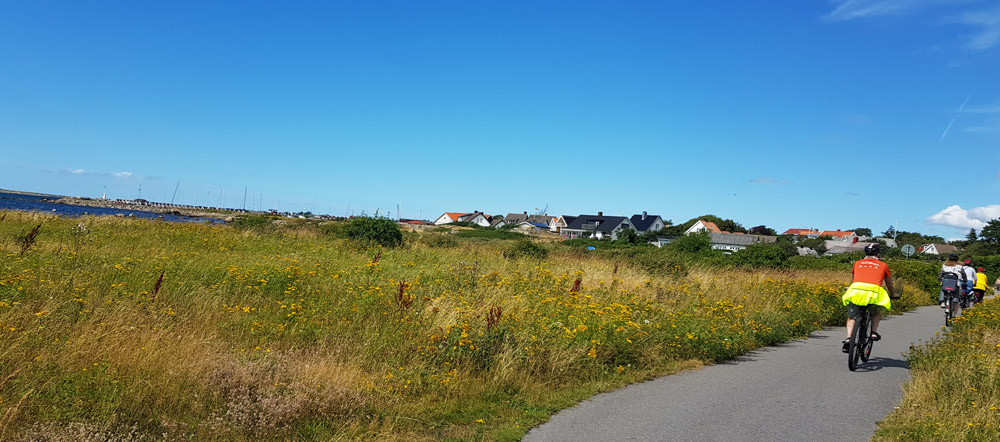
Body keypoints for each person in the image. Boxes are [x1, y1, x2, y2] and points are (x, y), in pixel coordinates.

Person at [842, 243, 897, 353]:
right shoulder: (883, 265)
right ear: (878, 254)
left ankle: (849, 339)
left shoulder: (857, 264)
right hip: (873, 293)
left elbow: (854, 281)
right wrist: (893, 294)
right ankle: (873, 332)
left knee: (852, 317)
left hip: (856, 291)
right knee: (875, 312)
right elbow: (889, 284)